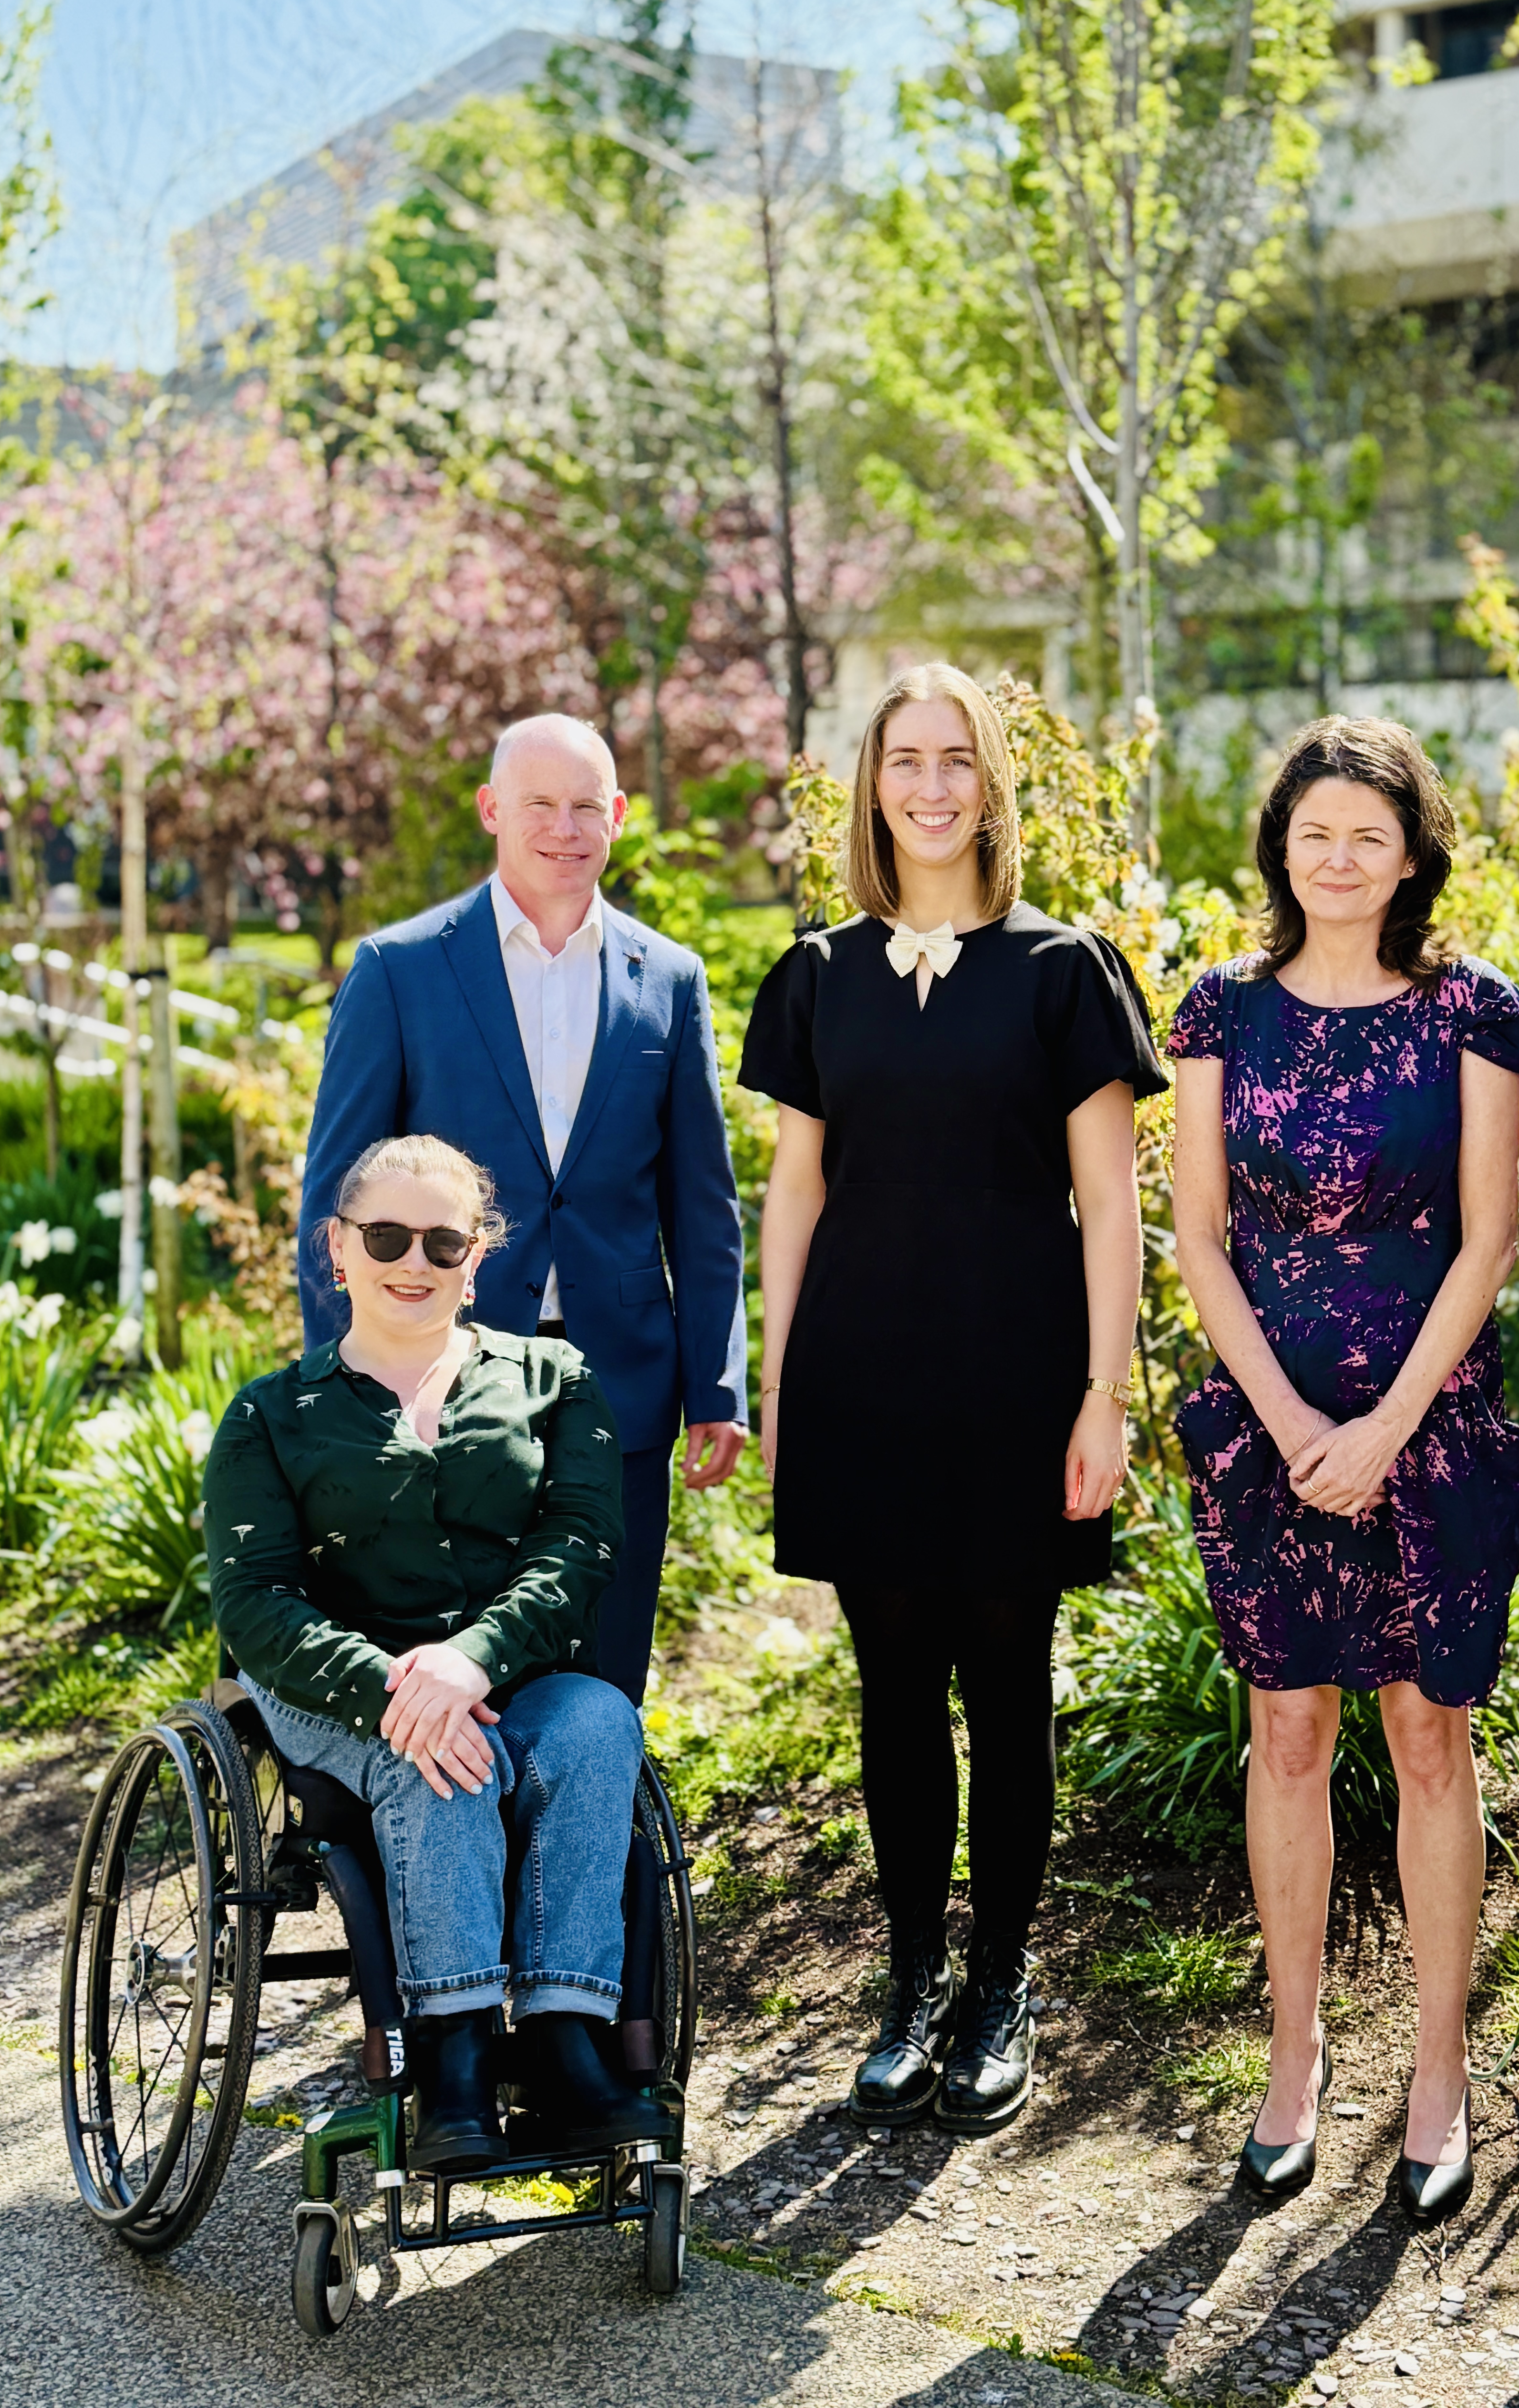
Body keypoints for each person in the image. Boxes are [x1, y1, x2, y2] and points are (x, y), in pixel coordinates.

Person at [739, 662, 1166, 2136]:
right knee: (892, 1693)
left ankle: (1002, 1985)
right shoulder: (814, 974)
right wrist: (778, 1378)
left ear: (992, 785)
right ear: (871, 787)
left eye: (956, 761)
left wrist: (1102, 1395)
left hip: (1014, 1375)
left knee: (1006, 1684)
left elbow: (1109, 1209)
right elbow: (793, 1191)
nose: (930, 786)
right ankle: (909, 1982)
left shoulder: (1065, 970)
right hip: (860, 1374)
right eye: (903, 761)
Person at [1169, 716, 1519, 2218]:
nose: (1339, 859)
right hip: (1269, 1427)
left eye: (1368, 838)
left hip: (1427, 1427)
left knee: (1428, 1739)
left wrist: (1385, 1424)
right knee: (1286, 1736)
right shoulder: (1217, 1012)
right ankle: (1292, 2052)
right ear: (1281, 848)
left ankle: (1438, 2067)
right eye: (1314, 833)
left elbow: (1489, 1233)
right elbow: (1197, 1235)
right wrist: (1281, 1419)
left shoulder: (1473, 1013)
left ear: (1409, 857)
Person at [207, 1132, 656, 2173]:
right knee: (435, 1756)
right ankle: (451, 2056)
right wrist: (395, 1687)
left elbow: (582, 1548)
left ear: (479, 1255)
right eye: (387, 1235)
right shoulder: (270, 1416)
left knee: (598, 1723)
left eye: (444, 1241)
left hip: (511, 1675)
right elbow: (256, 1600)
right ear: (339, 1247)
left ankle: (565, 2040)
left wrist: (471, 1661)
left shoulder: (555, 1378)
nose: (414, 1261)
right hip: (328, 1684)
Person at [299, 713, 748, 1706]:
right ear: (493, 811)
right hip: (437, 1387)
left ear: (619, 818)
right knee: (457, 1676)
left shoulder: (667, 980)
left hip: (619, 1389)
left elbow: (702, 1203)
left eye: (587, 804)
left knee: (604, 1670)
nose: (563, 827)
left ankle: (594, 1859)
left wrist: (718, 1384)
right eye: (539, 803)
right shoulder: (399, 971)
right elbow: (336, 1204)